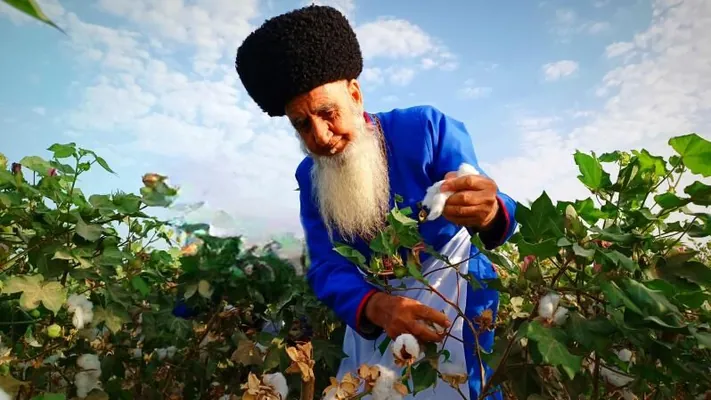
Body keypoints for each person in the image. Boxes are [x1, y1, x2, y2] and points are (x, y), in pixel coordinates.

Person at [235, 5, 517, 399]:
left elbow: (487, 197)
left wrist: (487, 209)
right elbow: (326, 266)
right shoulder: (309, 175)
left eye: (326, 112)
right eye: (301, 123)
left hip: (453, 300)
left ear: (354, 94)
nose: (319, 135)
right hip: (377, 316)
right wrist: (377, 306)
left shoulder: (425, 129)